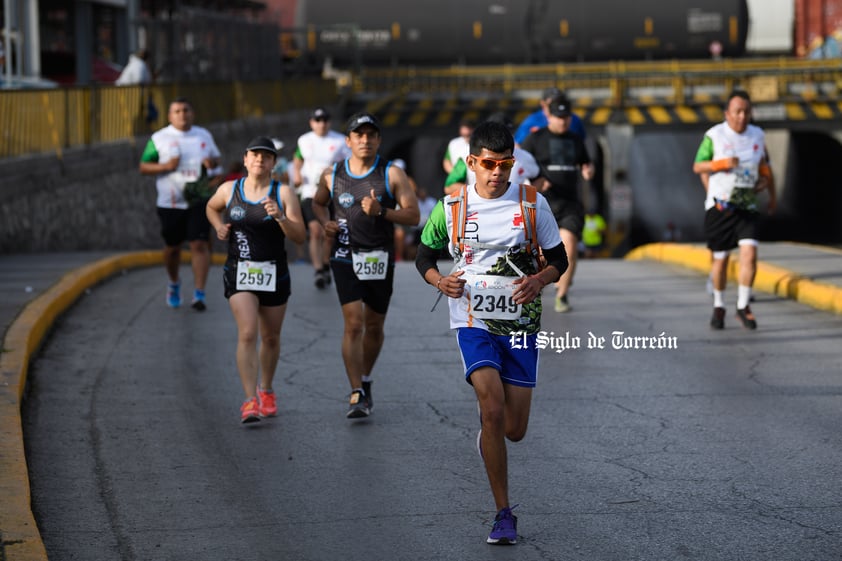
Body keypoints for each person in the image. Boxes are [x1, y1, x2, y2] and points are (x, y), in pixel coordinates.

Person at [415, 120, 568, 545]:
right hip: (471, 317)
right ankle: (503, 513)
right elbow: (423, 255)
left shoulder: (533, 204)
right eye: (488, 164)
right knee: (492, 405)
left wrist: (540, 280)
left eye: (504, 164)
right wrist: (438, 280)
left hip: (520, 322)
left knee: (514, 429)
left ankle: (491, 434)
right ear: (471, 162)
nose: (496, 172)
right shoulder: (451, 207)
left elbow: (560, 259)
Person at [312, 112, 420, 418]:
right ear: (348, 141)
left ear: (379, 140)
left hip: (378, 256)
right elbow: (318, 202)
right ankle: (356, 390)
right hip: (344, 254)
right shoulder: (332, 174)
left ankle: (366, 378)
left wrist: (382, 211)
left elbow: (413, 216)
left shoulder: (392, 173)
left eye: (371, 135)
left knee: (374, 325)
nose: (365, 140)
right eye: (358, 135)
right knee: (354, 323)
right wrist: (326, 223)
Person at [205, 137, 306, 423]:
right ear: (246, 159)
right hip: (240, 271)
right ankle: (250, 400)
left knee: (271, 337)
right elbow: (211, 207)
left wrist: (281, 217)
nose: (260, 160)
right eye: (255, 155)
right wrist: (218, 227)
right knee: (248, 332)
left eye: (266, 156)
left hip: (275, 272)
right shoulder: (230, 189)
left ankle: (267, 389)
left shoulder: (283, 192)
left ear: (273, 163)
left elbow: (300, 237)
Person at [692, 90, 776, 330]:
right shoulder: (715, 135)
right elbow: (698, 166)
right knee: (721, 261)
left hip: (747, 205)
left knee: (750, 253)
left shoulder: (758, 135)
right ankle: (719, 305)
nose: (742, 116)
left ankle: (743, 305)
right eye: (737, 111)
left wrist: (765, 185)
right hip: (720, 207)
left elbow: (765, 167)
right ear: (727, 113)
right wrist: (722, 164)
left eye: (746, 112)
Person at [139, 96, 223, 310]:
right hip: (171, 202)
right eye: (177, 111)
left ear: (192, 113)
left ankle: (199, 293)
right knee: (173, 248)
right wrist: (166, 166)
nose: (182, 115)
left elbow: (216, 160)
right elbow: (144, 166)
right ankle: (174, 282)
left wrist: (211, 163)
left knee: (199, 244)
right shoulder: (160, 138)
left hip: (199, 200)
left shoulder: (203, 135)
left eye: (186, 110)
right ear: (169, 116)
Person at [520, 94, 594, 313]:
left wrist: (588, 170)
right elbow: (518, 167)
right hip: (543, 204)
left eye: (566, 117)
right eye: (558, 116)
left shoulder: (576, 140)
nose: (563, 121)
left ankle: (562, 294)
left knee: (569, 246)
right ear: (548, 116)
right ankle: (540, 283)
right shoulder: (534, 139)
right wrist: (533, 182)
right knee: (543, 254)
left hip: (570, 204)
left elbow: (586, 163)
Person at [292, 107, 351, 289]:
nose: (321, 124)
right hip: (310, 191)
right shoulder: (304, 140)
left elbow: (348, 163)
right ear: (311, 122)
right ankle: (318, 269)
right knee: (315, 230)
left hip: (333, 192)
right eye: (317, 120)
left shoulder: (340, 140)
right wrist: (297, 175)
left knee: (329, 233)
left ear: (329, 122)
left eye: (325, 120)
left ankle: (326, 264)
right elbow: (297, 158)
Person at [444, 112, 539, 195]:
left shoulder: (525, 157)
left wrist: (517, 196)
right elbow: (450, 186)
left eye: (507, 163)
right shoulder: (468, 154)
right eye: (487, 163)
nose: (497, 172)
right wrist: (477, 195)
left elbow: (542, 180)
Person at [513, 87, 586, 144]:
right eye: (552, 103)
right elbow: (517, 144)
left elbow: (583, 142)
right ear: (543, 104)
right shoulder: (531, 121)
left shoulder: (573, 119)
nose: (556, 106)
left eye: (559, 102)